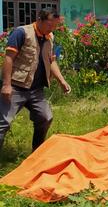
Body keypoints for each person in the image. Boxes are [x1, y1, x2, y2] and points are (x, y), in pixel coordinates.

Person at [0, 8, 71, 154]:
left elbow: (51, 61)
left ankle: (36, 153)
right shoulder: (22, 33)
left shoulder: (49, 37)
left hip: (35, 90)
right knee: (2, 124)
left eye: (55, 26)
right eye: (50, 25)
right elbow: (8, 58)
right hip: (15, 87)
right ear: (39, 20)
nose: (52, 29)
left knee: (45, 117)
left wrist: (62, 81)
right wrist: (6, 85)